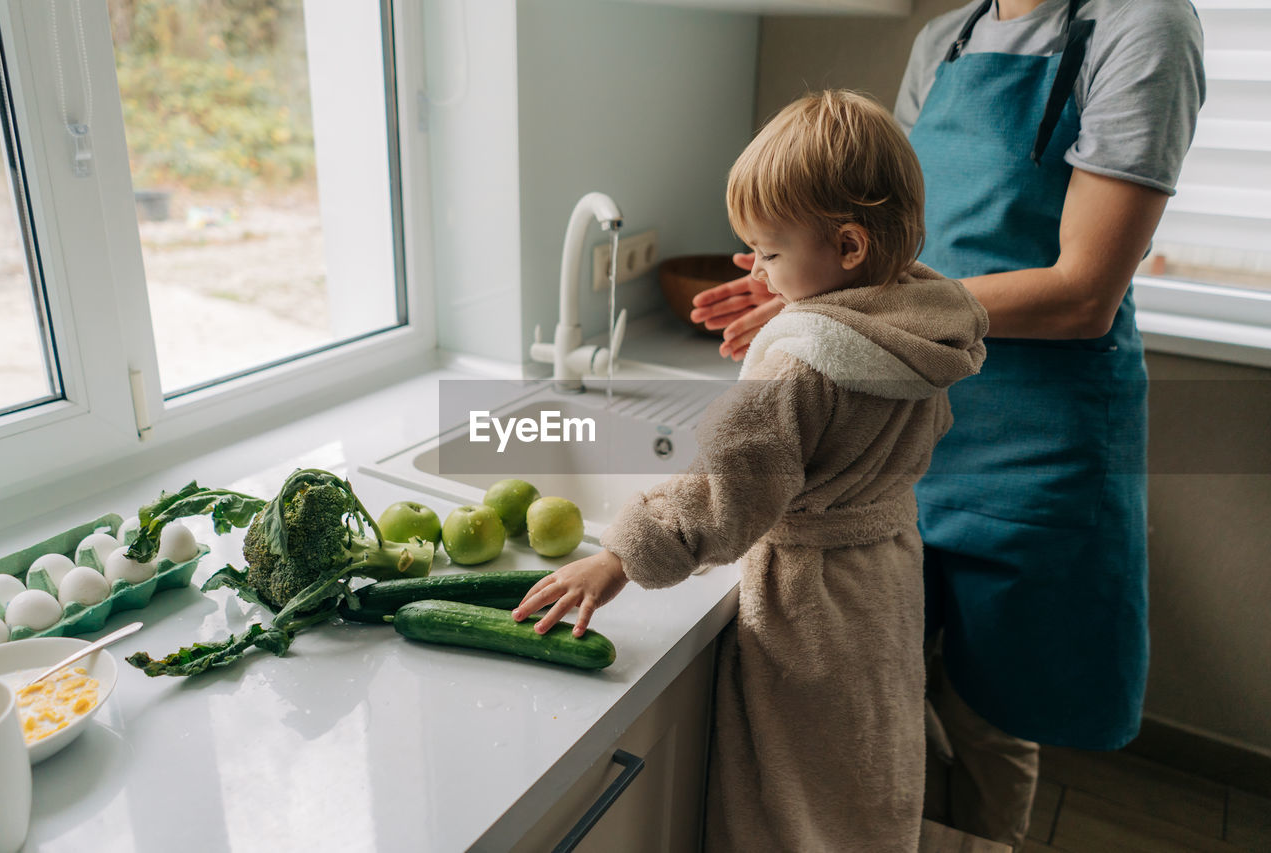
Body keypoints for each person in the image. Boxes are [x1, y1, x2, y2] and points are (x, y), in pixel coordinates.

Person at [689, 1, 1205, 848]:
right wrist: (807, 284)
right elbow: (883, 242)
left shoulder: (1142, 23)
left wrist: (843, 311)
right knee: (885, 691)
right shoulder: (948, 39)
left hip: (1036, 444)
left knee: (991, 718)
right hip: (905, 430)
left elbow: (1084, 292)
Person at [514, 89, 987, 851]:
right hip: (885, 578)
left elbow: (722, 497)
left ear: (850, 249)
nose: (760, 274)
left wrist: (619, 554)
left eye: (769, 253)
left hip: (810, 604)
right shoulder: (917, 322)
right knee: (861, 772)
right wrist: (795, 284)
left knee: (790, 797)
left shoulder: (798, 362)